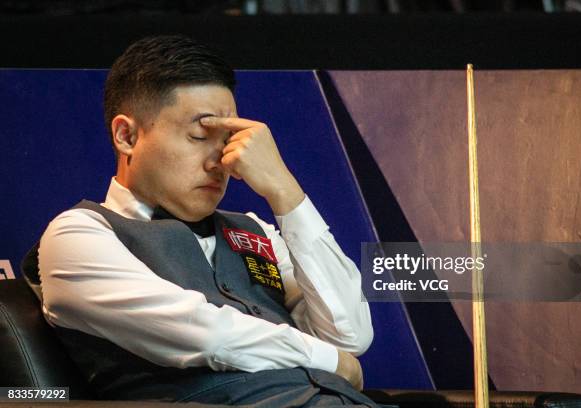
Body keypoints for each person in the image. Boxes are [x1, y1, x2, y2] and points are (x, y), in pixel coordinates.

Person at [23, 35, 378, 407]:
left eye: (227, 141)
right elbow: (206, 334)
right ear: (126, 136)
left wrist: (285, 192)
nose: (219, 161)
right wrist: (327, 360)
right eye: (198, 136)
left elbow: (349, 337)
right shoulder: (78, 234)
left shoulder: (256, 230)